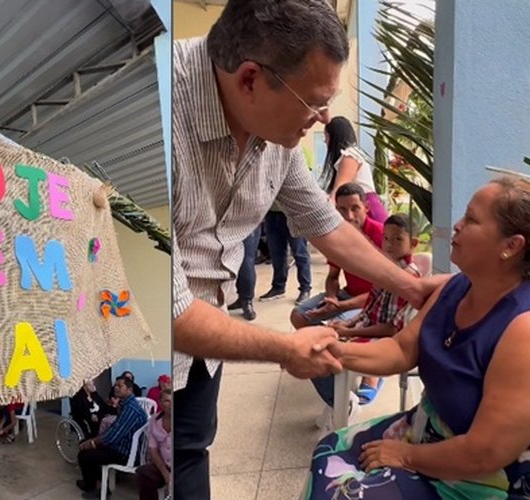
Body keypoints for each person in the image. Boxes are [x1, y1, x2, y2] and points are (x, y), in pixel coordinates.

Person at [172, 1, 436, 498]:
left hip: (205, 332)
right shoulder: (165, 110)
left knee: (191, 447)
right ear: (250, 78)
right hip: (166, 322)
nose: (324, 119)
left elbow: (323, 222)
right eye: (314, 101)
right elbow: (171, 308)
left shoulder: (272, 133)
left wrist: (412, 287)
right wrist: (285, 348)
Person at [304, 177, 530, 499]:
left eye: (471, 219)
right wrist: (331, 350)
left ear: (511, 246)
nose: (456, 225)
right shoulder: (455, 287)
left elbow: (487, 452)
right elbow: (401, 349)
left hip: (479, 476)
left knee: (342, 492)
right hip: (427, 430)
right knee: (329, 449)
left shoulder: (527, 330)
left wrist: (405, 456)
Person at [312, 213, 421, 434]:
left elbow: (392, 328)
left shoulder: (408, 278)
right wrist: (348, 325)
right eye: (386, 238)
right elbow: (370, 308)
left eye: (397, 239)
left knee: (320, 355)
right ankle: (338, 402)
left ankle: (343, 404)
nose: (389, 245)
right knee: (315, 337)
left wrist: (351, 332)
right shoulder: (386, 268)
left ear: (414, 243)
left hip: (385, 337)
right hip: (369, 327)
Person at [290, 183, 383, 329]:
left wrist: (342, 306)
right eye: (342, 210)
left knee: (335, 327)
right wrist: (331, 298)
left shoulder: (382, 236)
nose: (349, 216)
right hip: (346, 295)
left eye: (355, 208)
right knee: (298, 316)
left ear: (366, 207)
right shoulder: (338, 236)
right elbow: (333, 276)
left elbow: (385, 291)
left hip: (374, 301)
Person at [76, 376, 147, 498]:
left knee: (85, 454)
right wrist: (92, 441)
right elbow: (114, 430)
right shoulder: (126, 404)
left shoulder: (131, 409)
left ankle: (99, 489)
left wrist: (92, 442)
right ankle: (91, 483)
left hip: (125, 453)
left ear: (129, 389)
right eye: (115, 385)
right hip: (121, 445)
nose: (115, 387)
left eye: (120, 386)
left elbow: (113, 437)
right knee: (85, 443)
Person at [320, 116, 388, 222]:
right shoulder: (349, 155)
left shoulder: (350, 155)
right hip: (359, 206)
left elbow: (340, 187)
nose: (325, 141)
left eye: (326, 136)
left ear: (333, 136)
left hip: (365, 209)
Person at [259, 202, 313, 305]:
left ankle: (305, 288)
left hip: (293, 214)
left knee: (300, 253)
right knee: (276, 253)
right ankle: (278, 287)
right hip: (271, 213)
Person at [136, 389, 172, 500]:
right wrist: (166, 474)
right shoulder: (154, 420)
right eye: (167, 401)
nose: (171, 405)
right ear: (160, 402)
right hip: (164, 465)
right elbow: (153, 450)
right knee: (143, 473)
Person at [228, 226, 263, 320]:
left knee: (246, 261)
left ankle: (247, 302)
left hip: (246, 224)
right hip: (242, 224)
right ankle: (243, 299)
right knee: (241, 261)